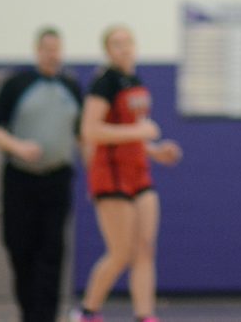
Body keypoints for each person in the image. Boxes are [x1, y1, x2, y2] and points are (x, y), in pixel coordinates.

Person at [71, 25, 182, 322]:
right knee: (121, 253)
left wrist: (154, 150)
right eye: (116, 44)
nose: (124, 48)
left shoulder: (134, 80)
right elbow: (90, 130)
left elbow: (132, 130)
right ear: (107, 50)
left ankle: (145, 315)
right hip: (111, 174)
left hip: (138, 172)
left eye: (127, 42)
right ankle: (87, 311)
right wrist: (140, 132)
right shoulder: (104, 83)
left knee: (145, 248)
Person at [0, 27, 82, 322]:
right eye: (47, 49)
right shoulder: (17, 84)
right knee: (19, 246)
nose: (53, 55)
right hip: (20, 179)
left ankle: (45, 316)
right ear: (37, 51)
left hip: (57, 179)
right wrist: (18, 146)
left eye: (57, 49)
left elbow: (83, 135)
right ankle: (29, 313)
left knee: (52, 250)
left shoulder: (71, 87)